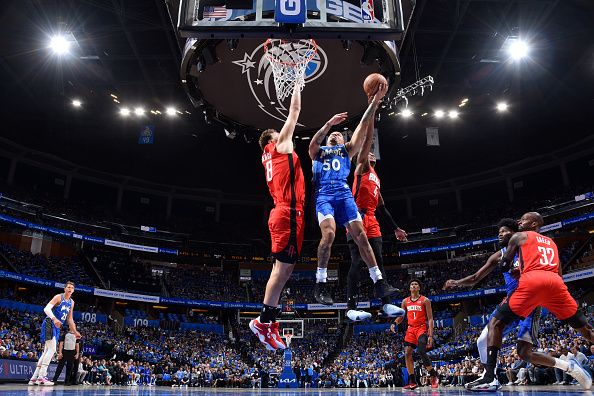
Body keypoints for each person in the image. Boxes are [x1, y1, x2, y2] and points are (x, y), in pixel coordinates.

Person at [468, 212, 594, 391]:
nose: (520, 221)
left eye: (524, 219)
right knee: (585, 330)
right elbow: (559, 273)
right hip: (555, 285)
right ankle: (569, 367)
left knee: (495, 324)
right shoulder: (551, 242)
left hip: (529, 290)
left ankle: (490, 377)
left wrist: (513, 268)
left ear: (534, 223)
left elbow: (504, 265)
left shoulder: (519, 237)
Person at [309, 83, 398, 305]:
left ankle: (379, 282)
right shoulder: (319, 153)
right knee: (328, 235)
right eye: (333, 134)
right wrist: (329, 124)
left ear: (342, 141)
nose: (335, 135)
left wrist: (374, 102)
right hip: (325, 197)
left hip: (344, 195)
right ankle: (320, 284)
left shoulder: (347, 150)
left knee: (361, 237)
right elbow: (313, 143)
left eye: (339, 134)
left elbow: (363, 125)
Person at [443, 218, 543, 390]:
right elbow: (475, 278)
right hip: (511, 301)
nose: (500, 234)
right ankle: (490, 376)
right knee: (482, 341)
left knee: (525, 353)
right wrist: (457, 282)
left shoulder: (528, 247)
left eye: (504, 231)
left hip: (529, 302)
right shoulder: (499, 255)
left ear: (516, 233)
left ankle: (566, 365)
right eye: (499, 232)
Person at [250, 85, 305, 350]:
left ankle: (269, 322)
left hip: (285, 213)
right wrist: (297, 83)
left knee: (282, 271)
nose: (284, 132)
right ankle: (262, 321)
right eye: (278, 131)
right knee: (282, 271)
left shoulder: (269, 156)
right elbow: (294, 111)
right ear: (272, 140)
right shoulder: (280, 146)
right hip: (287, 213)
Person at [345, 138, 407, 320]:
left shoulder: (376, 178)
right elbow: (363, 150)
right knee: (357, 261)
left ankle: (386, 303)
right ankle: (351, 307)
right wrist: (366, 131)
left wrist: (396, 228)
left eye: (373, 153)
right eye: (367, 153)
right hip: (357, 218)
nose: (372, 153)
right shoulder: (361, 168)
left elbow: (382, 208)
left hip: (372, 220)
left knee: (379, 261)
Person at [29, 281, 80, 386]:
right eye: (68, 287)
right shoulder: (58, 297)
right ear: (64, 289)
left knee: (46, 351)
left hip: (56, 327)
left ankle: (34, 378)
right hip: (49, 323)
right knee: (52, 349)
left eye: (72, 288)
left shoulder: (71, 302)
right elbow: (46, 308)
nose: (70, 289)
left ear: (73, 290)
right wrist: (54, 318)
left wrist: (75, 332)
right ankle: (42, 377)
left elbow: (70, 319)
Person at [390, 279, 439, 389]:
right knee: (407, 353)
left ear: (419, 288)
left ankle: (433, 374)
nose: (414, 285)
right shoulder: (405, 301)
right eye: (412, 284)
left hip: (421, 328)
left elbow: (430, 319)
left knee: (421, 351)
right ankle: (412, 381)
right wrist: (394, 323)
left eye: (416, 284)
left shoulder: (425, 300)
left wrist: (431, 335)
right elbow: (402, 316)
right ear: (409, 288)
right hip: (410, 329)